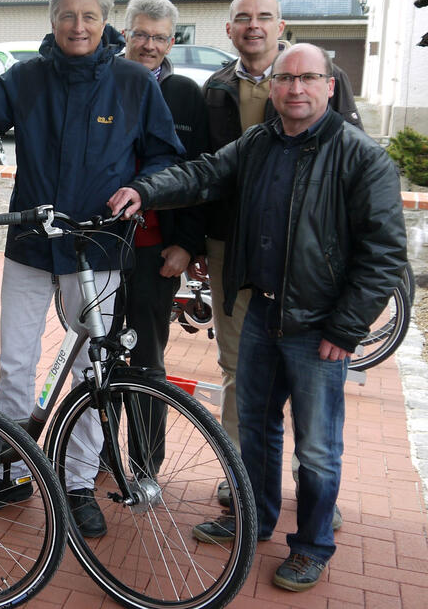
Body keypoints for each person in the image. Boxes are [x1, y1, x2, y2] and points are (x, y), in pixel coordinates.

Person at [108, 43, 406, 592]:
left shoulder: (361, 157)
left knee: (317, 448)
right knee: (257, 431)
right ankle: (256, 519)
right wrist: (145, 190)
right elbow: (201, 174)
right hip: (261, 312)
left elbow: (385, 254)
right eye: (286, 79)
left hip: (320, 328)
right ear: (273, 88)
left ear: (330, 86)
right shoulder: (259, 143)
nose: (296, 88)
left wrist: (346, 327)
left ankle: (312, 545)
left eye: (309, 78)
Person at [0, 0, 183, 537]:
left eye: (89, 17)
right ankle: (12, 471)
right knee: (17, 362)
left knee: (89, 368)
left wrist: (142, 189)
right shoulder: (27, 77)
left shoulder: (133, 82)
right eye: (68, 16)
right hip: (31, 242)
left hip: (98, 246)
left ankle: (76, 483)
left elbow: (165, 154)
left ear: (105, 23)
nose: (78, 26)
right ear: (52, 20)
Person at [199, 0, 362, 517]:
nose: (254, 26)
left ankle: (311, 485)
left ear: (280, 25)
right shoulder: (215, 88)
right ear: (228, 29)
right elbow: (205, 169)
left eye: (264, 17)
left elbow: (351, 161)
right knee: (237, 367)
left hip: (306, 253)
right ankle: (242, 480)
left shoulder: (319, 74)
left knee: (307, 375)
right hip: (234, 249)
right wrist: (196, 238)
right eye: (243, 18)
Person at [118, 0, 209, 475]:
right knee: (99, 357)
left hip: (157, 251)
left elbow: (201, 176)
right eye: (140, 34)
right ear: (125, 34)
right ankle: (95, 458)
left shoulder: (186, 94)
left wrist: (187, 244)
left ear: (172, 42)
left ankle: (145, 464)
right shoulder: (105, 80)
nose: (148, 44)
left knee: (147, 359)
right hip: (100, 251)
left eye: (158, 37)